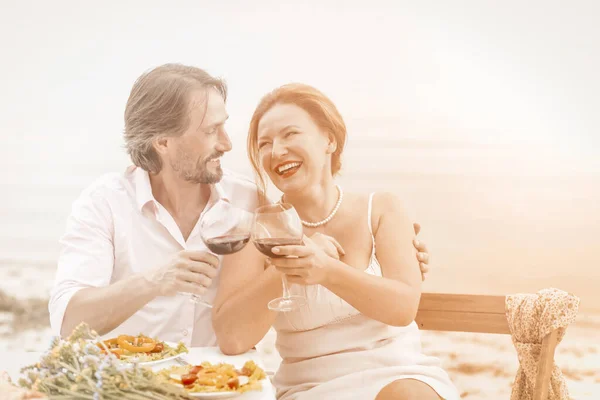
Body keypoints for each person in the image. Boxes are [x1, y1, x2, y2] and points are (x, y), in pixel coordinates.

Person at [48, 64, 431, 347]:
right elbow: (68, 321)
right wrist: (154, 281)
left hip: (217, 383)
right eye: (211, 130)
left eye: (224, 125)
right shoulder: (104, 204)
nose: (228, 145)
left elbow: (309, 236)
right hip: (126, 380)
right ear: (162, 142)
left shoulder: (249, 201)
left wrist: (396, 252)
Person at [212, 83, 458, 399]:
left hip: (399, 376)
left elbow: (403, 308)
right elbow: (232, 338)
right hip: (309, 388)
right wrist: (286, 268)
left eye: (290, 134)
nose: (276, 151)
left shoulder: (382, 209)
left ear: (329, 139)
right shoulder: (257, 228)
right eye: (264, 143)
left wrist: (327, 271)